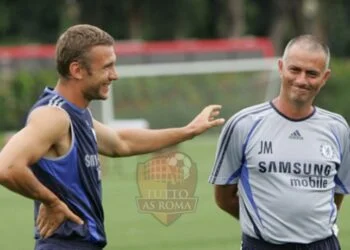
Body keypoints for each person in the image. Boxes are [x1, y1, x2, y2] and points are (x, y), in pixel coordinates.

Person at [0, 24, 225, 250]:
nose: (114, 75)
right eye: (107, 67)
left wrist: (188, 131)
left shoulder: (75, 114)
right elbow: (6, 167)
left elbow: (121, 143)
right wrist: (52, 202)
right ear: (77, 70)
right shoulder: (53, 116)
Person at [208, 34, 350, 250]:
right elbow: (224, 197)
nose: (302, 80)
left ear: (325, 77)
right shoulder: (243, 124)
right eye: (295, 70)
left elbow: (336, 195)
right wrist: (267, 224)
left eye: (312, 73)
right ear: (281, 67)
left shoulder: (338, 129)